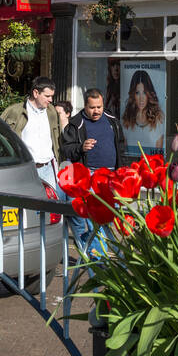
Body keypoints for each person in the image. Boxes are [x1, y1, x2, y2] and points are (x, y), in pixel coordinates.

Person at [60, 88, 129, 255]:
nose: (96, 111)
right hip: (90, 176)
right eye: (92, 107)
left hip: (111, 176)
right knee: (94, 220)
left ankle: (110, 254)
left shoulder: (112, 119)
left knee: (110, 218)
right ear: (85, 106)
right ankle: (99, 260)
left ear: (103, 104)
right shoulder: (76, 124)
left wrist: (122, 171)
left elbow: (120, 145)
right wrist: (81, 148)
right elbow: (66, 149)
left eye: (99, 107)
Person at [1, 77, 62, 192]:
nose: (50, 100)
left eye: (52, 96)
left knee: (49, 207)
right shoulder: (15, 111)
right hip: (25, 169)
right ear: (35, 93)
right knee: (26, 206)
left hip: (47, 168)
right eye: (47, 96)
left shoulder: (52, 112)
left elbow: (56, 139)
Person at [122, 69, 165, 155]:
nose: (141, 98)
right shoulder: (126, 119)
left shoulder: (158, 119)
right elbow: (126, 152)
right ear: (133, 94)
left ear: (149, 94)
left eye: (144, 92)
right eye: (137, 93)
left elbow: (158, 156)